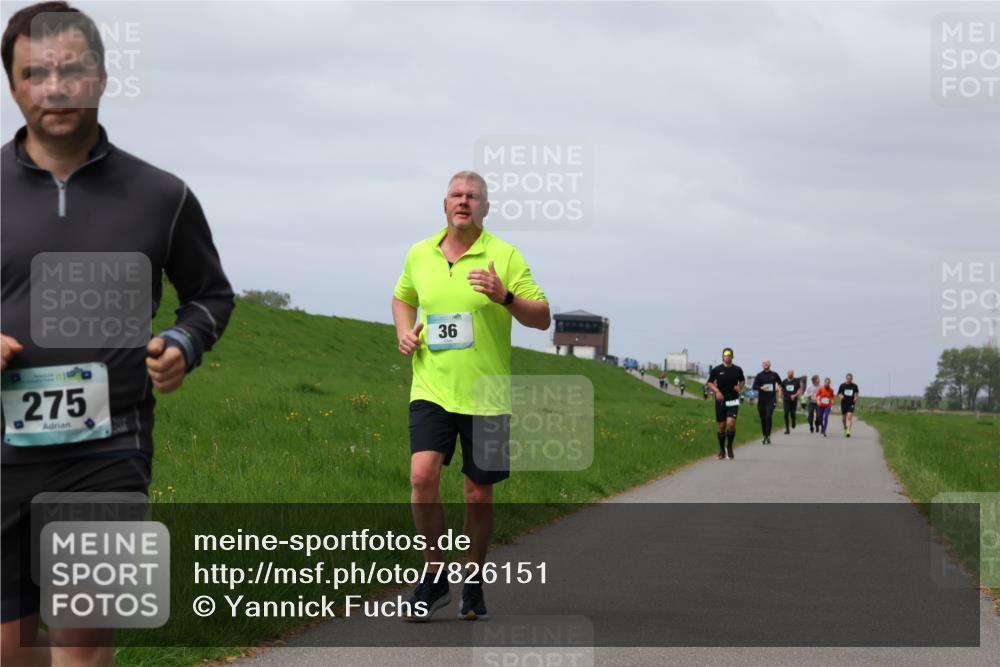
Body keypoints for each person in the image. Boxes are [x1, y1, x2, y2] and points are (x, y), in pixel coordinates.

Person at [1, 3, 235, 664]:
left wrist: (183, 343)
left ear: (102, 77)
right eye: (35, 73)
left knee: (84, 633)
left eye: (72, 70)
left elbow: (211, 295)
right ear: (13, 85)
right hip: (4, 450)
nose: (55, 87)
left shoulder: (162, 195)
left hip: (110, 447)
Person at [393, 170, 550, 621]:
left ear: (485, 208)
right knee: (422, 476)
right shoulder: (420, 253)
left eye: (473, 196)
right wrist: (404, 332)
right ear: (444, 204)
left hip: (488, 395)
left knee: (478, 494)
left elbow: (542, 317)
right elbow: (402, 297)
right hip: (431, 387)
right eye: (456, 195)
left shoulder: (505, 255)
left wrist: (505, 297)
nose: (463, 201)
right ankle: (434, 576)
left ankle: (474, 579)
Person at [705, 348, 745, 460]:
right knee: (722, 426)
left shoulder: (737, 369)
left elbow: (742, 381)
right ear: (723, 357)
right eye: (725, 355)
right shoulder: (717, 369)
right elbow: (709, 382)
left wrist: (740, 387)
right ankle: (722, 450)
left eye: (729, 355)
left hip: (733, 400)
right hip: (721, 401)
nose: (727, 356)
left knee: (731, 423)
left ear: (732, 357)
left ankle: (729, 447)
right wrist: (717, 391)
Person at [751, 360, 781, 444]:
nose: (765, 364)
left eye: (767, 363)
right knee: (763, 418)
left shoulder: (774, 374)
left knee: (768, 416)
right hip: (762, 400)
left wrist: (778, 388)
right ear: (762, 365)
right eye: (764, 363)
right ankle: (764, 436)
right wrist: (761, 388)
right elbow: (754, 386)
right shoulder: (759, 375)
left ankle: (768, 436)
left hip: (771, 399)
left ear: (770, 364)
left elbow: (780, 383)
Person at [837, 373, 860, 437]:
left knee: (849, 417)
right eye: (847, 378)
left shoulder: (855, 386)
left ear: (852, 379)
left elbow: (857, 393)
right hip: (844, 403)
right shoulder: (842, 385)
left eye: (850, 378)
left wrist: (856, 398)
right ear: (846, 378)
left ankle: (848, 431)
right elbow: (839, 393)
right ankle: (845, 427)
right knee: (843, 419)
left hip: (851, 403)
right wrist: (840, 396)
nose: (849, 380)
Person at [781, 370, 802, 434]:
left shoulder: (796, 381)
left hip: (793, 400)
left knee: (792, 413)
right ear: (787, 374)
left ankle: (793, 420)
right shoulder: (784, 381)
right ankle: (787, 429)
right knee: (786, 413)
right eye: (789, 373)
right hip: (786, 400)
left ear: (793, 374)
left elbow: (799, 390)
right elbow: (781, 389)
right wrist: (779, 398)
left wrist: (795, 395)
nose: (790, 374)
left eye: (791, 373)